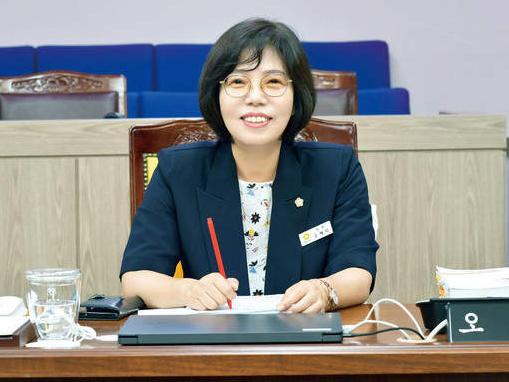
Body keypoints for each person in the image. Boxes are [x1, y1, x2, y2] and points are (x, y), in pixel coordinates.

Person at [120, 18, 378, 313]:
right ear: (216, 94)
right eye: (238, 82)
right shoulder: (177, 171)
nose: (255, 98)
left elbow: (358, 272)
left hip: (305, 334)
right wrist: (189, 290)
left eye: (274, 82)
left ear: (297, 95)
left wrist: (324, 291)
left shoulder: (337, 169)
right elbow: (136, 279)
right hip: (213, 336)